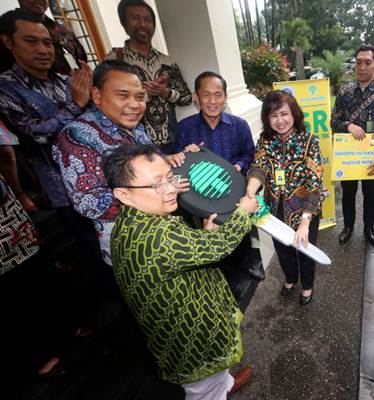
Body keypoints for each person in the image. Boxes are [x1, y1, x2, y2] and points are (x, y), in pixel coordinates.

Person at [105, 143, 258, 399]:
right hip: (192, 341)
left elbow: (177, 253)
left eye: (170, 178)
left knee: (216, 380)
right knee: (204, 391)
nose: (171, 189)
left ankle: (227, 384)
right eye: (157, 185)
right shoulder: (159, 236)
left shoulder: (130, 220)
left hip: (178, 319)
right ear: (123, 194)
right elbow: (219, 245)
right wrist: (243, 213)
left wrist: (202, 236)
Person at [53, 59, 190, 266]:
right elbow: (88, 204)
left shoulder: (135, 126)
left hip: (165, 231)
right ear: (97, 95)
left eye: (140, 97)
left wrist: (168, 162)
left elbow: (153, 161)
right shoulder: (77, 137)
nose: (134, 105)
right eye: (123, 96)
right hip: (132, 246)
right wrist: (157, 191)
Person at [176, 71, 263, 284]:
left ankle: (248, 262)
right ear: (196, 97)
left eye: (218, 94)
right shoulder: (185, 127)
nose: (212, 101)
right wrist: (186, 154)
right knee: (211, 234)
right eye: (206, 95)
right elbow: (176, 164)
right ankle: (221, 273)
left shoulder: (239, 125)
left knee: (242, 231)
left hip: (233, 189)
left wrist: (239, 165)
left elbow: (249, 154)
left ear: (225, 97)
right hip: (202, 193)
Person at [0, 9, 92, 212]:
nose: (43, 50)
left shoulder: (65, 80)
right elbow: (36, 135)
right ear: (8, 42)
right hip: (61, 187)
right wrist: (76, 105)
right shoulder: (6, 88)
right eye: (31, 41)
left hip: (95, 177)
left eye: (47, 42)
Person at [246, 90, 323, 305]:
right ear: (267, 119)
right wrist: (251, 189)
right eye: (273, 116)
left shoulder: (309, 141)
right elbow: (259, 167)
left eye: (284, 114)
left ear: (294, 114)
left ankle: (307, 285)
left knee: (305, 249)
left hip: (305, 208)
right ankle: (290, 278)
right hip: (273, 206)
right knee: (282, 247)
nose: (279, 121)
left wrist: (305, 221)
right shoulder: (265, 140)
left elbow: (314, 184)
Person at [0, 173, 73, 396]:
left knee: (38, 286)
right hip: (8, 247)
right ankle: (42, 357)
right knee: (20, 301)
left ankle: (59, 336)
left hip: (16, 233)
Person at [331, 44, 374, 247]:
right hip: (349, 157)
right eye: (358, 62)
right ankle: (348, 227)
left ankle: (369, 229)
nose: (362, 67)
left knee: (371, 195)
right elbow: (333, 121)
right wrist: (348, 125)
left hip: (372, 157)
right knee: (348, 193)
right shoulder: (345, 92)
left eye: (367, 62)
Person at [105, 0, 192, 152]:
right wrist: (145, 95)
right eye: (135, 18)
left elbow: (186, 98)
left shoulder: (167, 61)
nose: (142, 24)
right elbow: (109, 103)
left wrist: (165, 92)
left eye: (147, 19)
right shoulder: (116, 60)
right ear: (124, 24)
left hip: (170, 139)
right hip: (134, 141)